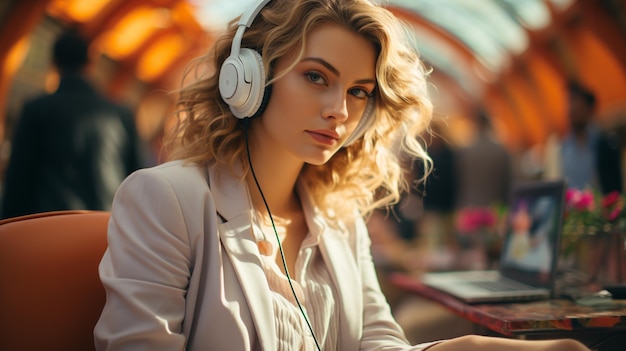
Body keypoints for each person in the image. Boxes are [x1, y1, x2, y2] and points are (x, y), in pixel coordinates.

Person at [94, 1, 590, 350]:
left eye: (358, 91)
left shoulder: (340, 221)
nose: (340, 111)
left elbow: (377, 342)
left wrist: (463, 349)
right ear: (248, 78)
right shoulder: (164, 198)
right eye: (316, 77)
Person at [1, 30, 143, 219]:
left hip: (48, 223)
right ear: (90, 65)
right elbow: (136, 176)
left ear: (54, 64)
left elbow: (19, 179)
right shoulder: (121, 114)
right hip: (105, 225)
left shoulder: (36, 109)